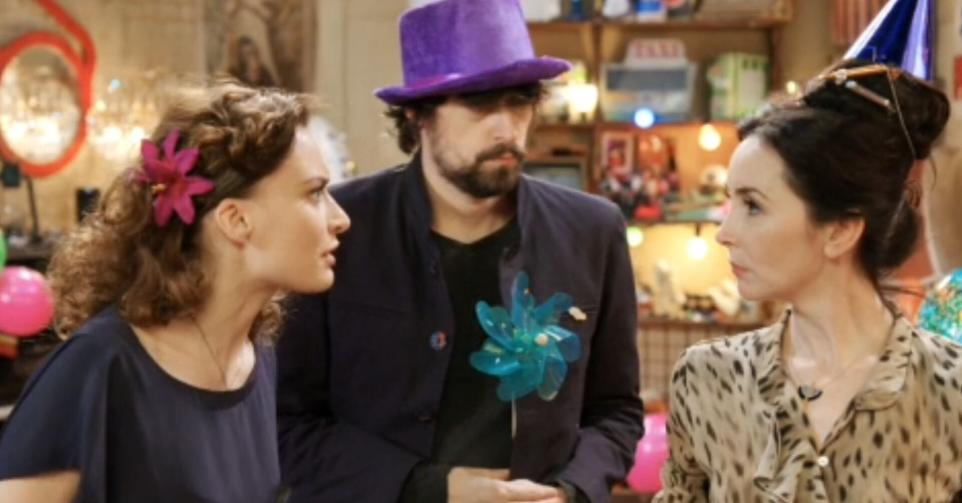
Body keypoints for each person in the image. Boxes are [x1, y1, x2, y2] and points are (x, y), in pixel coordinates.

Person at [275, 0, 644, 502]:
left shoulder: (590, 230)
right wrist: (435, 488)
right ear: (418, 114)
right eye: (479, 104)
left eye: (520, 101)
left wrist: (569, 492)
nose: (506, 128)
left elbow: (616, 411)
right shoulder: (339, 227)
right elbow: (288, 423)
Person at [0, 82, 350, 502]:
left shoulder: (257, 356)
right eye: (314, 193)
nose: (340, 218)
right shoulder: (99, 367)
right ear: (236, 220)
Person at [655, 60, 954, 501]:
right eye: (730, 202)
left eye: (753, 206)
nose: (724, 232)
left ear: (840, 230)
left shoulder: (949, 389)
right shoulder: (708, 377)